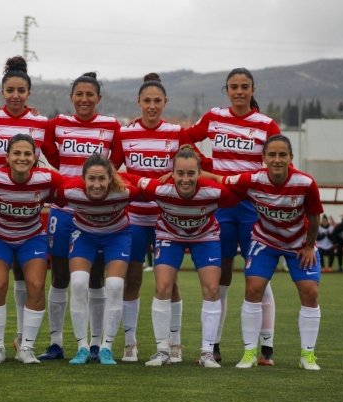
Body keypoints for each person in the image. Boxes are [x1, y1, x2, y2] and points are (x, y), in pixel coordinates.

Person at [186, 67, 282, 365]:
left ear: (252, 90)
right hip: (222, 206)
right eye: (233, 87)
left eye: (244, 86)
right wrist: (204, 164)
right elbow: (185, 140)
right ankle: (213, 345)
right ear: (226, 90)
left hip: (254, 206)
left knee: (259, 278)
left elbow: (277, 161)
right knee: (222, 274)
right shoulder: (214, 116)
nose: (239, 91)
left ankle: (265, 348)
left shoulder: (266, 124)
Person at [210, 135, 323, 370]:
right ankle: (250, 353)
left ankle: (307, 356)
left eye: (283, 155)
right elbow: (221, 179)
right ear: (263, 158)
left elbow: (314, 216)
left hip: (298, 245)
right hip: (265, 242)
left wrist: (309, 245)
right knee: (253, 289)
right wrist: (195, 173)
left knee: (310, 293)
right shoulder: (252, 179)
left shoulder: (306, 183)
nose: (277, 159)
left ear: (291, 158)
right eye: (272, 155)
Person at [114, 73, 204, 363]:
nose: (152, 106)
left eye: (157, 101)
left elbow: (196, 165)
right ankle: (130, 343)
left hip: (167, 219)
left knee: (170, 282)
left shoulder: (177, 133)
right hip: (134, 218)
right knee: (133, 279)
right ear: (138, 102)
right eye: (147, 101)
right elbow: (108, 169)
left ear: (165, 102)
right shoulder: (125, 134)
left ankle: (174, 343)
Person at [126, 145, 242, 367]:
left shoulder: (215, 191)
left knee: (211, 289)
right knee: (162, 287)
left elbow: (242, 189)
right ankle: (162, 351)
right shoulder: (159, 188)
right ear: (172, 172)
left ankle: (207, 353)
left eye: (191, 173)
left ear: (199, 173)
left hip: (205, 236)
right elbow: (125, 176)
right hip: (169, 235)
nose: (185, 179)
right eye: (180, 173)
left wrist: (216, 177)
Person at [38, 72, 123, 361]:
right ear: (71, 97)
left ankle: (97, 344)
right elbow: (50, 154)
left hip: (98, 212)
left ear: (98, 98)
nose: (84, 99)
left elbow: (117, 162)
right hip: (64, 211)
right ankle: (57, 343)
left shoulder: (111, 126)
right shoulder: (57, 125)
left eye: (90, 95)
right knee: (61, 276)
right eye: (79, 94)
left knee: (97, 278)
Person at [0, 56, 51, 360]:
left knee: (29, 280)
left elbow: (52, 164)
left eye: (21, 90)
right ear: (2, 91)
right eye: (10, 90)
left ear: (29, 94)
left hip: (28, 209)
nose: (16, 95)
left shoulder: (41, 123)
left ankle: (23, 342)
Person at [0, 134, 66, 364]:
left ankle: (26, 347)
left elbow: (71, 187)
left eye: (27, 154)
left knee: (36, 285)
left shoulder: (47, 178)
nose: (22, 158)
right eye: (16, 153)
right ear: (7, 157)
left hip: (32, 237)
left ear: (35, 158)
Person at [54, 153, 138, 365]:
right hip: (84, 234)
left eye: (102, 179)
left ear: (111, 178)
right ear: (83, 179)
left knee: (115, 285)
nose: (97, 184)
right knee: (80, 283)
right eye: (92, 179)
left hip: (117, 235)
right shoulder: (69, 191)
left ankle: (106, 348)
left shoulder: (127, 191)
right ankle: (82, 347)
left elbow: (151, 187)